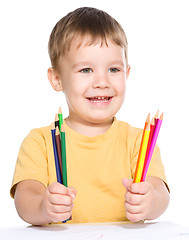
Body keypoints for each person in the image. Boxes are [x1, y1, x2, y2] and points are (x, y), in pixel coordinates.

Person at [10, 7, 169, 226]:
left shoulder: (140, 141)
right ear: (57, 79)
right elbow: (24, 196)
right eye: (86, 70)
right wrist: (42, 206)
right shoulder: (40, 141)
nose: (102, 82)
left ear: (127, 74)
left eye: (114, 69)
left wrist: (150, 201)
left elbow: (160, 191)